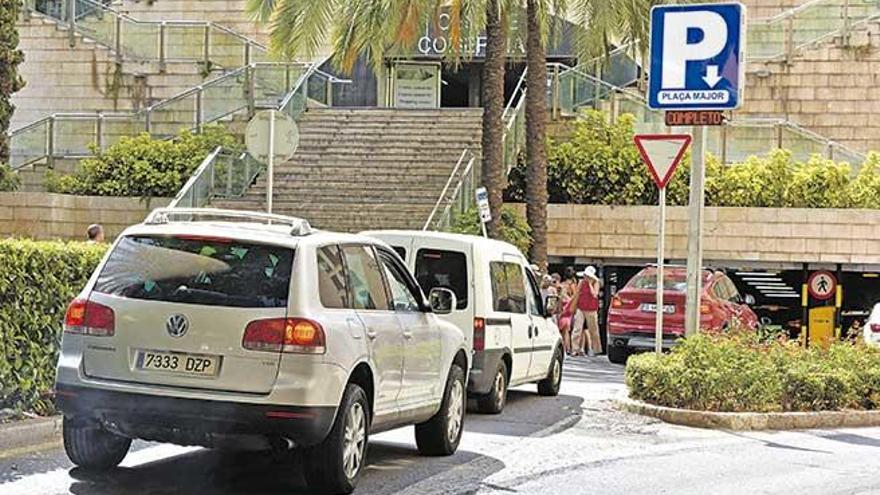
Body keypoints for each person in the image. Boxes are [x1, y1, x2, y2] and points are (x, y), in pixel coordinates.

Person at [571, 266, 602, 357]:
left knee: (593, 329)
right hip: (581, 308)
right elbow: (577, 294)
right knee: (577, 328)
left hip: (591, 309)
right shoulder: (581, 282)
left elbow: (594, 294)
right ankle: (575, 349)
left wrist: (589, 284)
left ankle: (596, 349)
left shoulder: (596, 283)